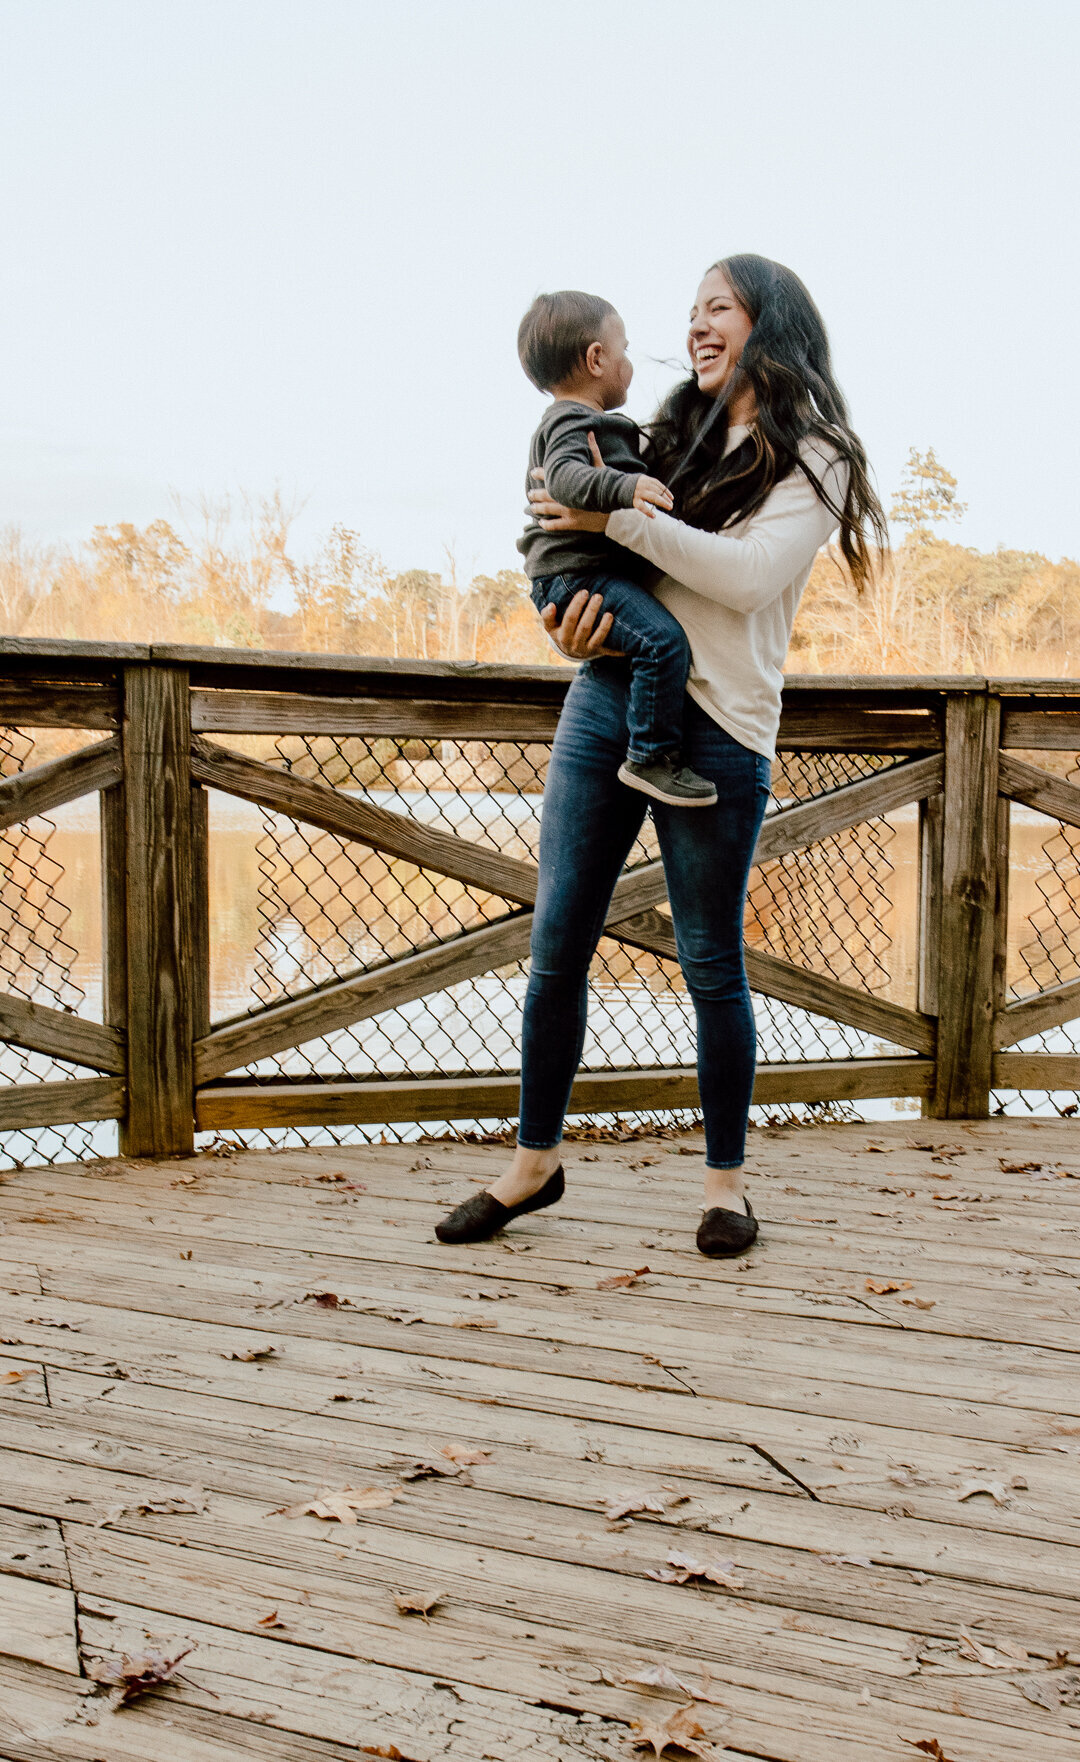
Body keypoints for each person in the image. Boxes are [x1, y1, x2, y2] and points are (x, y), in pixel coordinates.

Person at [437, 254, 887, 1256]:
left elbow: (744, 577)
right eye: (688, 312)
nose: (694, 326)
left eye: (716, 307)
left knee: (710, 963)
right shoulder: (661, 435)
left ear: (770, 322)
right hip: (610, 700)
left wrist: (614, 516)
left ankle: (725, 1184)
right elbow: (574, 541)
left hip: (721, 724)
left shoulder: (816, 453)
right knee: (557, 944)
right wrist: (570, 621)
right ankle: (534, 1163)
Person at [516, 290, 716, 807]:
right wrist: (624, 490)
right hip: (574, 577)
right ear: (596, 358)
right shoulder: (569, 420)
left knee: (656, 640)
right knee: (662, 643)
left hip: (582, 575)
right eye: (623, 350)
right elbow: (562, 477)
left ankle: (650, 752)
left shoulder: (596, 423)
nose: (630, 363)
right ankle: (650, 757)